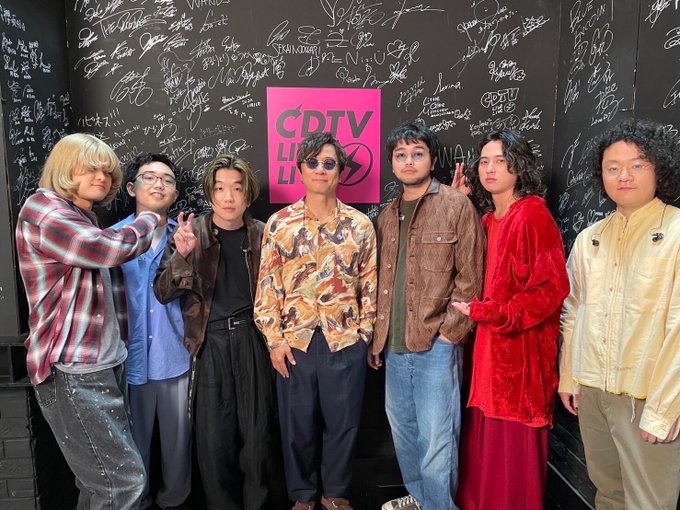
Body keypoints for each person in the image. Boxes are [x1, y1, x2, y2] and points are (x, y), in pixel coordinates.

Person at [15, 133, 159, 509]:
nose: (102, 177)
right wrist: (149, 218)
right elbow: (103, 250)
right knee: (122, 483)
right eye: (90, 168)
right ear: (65, 169)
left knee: (101, 483)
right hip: (74, 371)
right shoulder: (44, 209)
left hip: (103, 364)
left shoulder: (80, 215)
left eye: (108, 172)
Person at [558, 118, 680, 509]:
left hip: (648, 396)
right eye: (613, 167)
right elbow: (573, 311)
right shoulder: (589, 238)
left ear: (659, 168)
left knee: (649, 502)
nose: (623, 176)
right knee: (608, 493)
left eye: (636, 165)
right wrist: (569, 376)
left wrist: (663, 409)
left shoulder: (676, 233)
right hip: (593, 391)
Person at [254, 132, 377, 510]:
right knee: (297, 426)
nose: (320, 170)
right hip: (295, 342)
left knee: (344, 423)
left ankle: (335, 493)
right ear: (300, 170)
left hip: (345, 341)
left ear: (340, 171)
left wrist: (364, 335)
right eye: (312, 162)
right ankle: (302, 496)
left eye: (328, 163)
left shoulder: (360, 225)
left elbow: (370, 283)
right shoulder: (279, 224)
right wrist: (274, 340)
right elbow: (268, 286)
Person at [368, 122, 484, 510]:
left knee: (438, 439)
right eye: (400, 155)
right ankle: (419, 499)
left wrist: (450, 334)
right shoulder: (386, 217)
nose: (409, 161)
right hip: (394, 346)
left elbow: (471, 277)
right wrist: (378, 338)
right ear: (392, 163)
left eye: (417, 153)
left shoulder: (456, 205)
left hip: (436, 344)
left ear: (432, 160)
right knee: (404, 433)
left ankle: (438, 505)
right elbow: (381, 282)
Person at [451, 130, 569, 510]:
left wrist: (495, 313)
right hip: (486, 359)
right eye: (484, 161)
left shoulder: (532, 215)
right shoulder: (487, 220)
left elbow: (552, 289)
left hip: (519, 364)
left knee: (512, 456)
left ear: (518, 167)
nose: (490, 169)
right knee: (483, 450)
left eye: (500, 161)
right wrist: (459, 204)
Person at [154, 153, 277, 510]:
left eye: (236, 188)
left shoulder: (262, 234)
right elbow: (163, 293)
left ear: (248, 194)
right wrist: (181, 256)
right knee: (213, 441)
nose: (228, 197)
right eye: (220, 189)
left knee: (258, 437)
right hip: (209, 343)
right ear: (210, 194)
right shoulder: (191, 234)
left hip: (254, 340)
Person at [112, 153, 191, 510]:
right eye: (149, 177)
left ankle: (175, 502)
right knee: (131, 446)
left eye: (167, 180)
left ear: (175, 193)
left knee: (179, 445)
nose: (159, 184)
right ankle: (138, 502)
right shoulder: (112, 239)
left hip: (175, 357)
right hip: (128, 359)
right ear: (131, 188)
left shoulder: (185, 237)